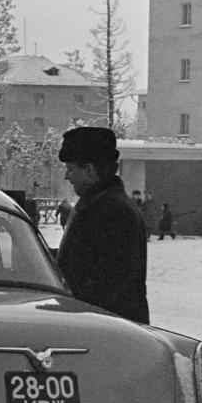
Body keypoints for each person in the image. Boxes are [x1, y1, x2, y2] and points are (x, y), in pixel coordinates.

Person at [55, 126, 149, 323]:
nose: (67, 176)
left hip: (107, 329)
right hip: (103, 326)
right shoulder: (101, 203)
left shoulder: (112, 209)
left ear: (89, 169)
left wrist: (73, 312)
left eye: (70, 169)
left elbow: (106, 281)